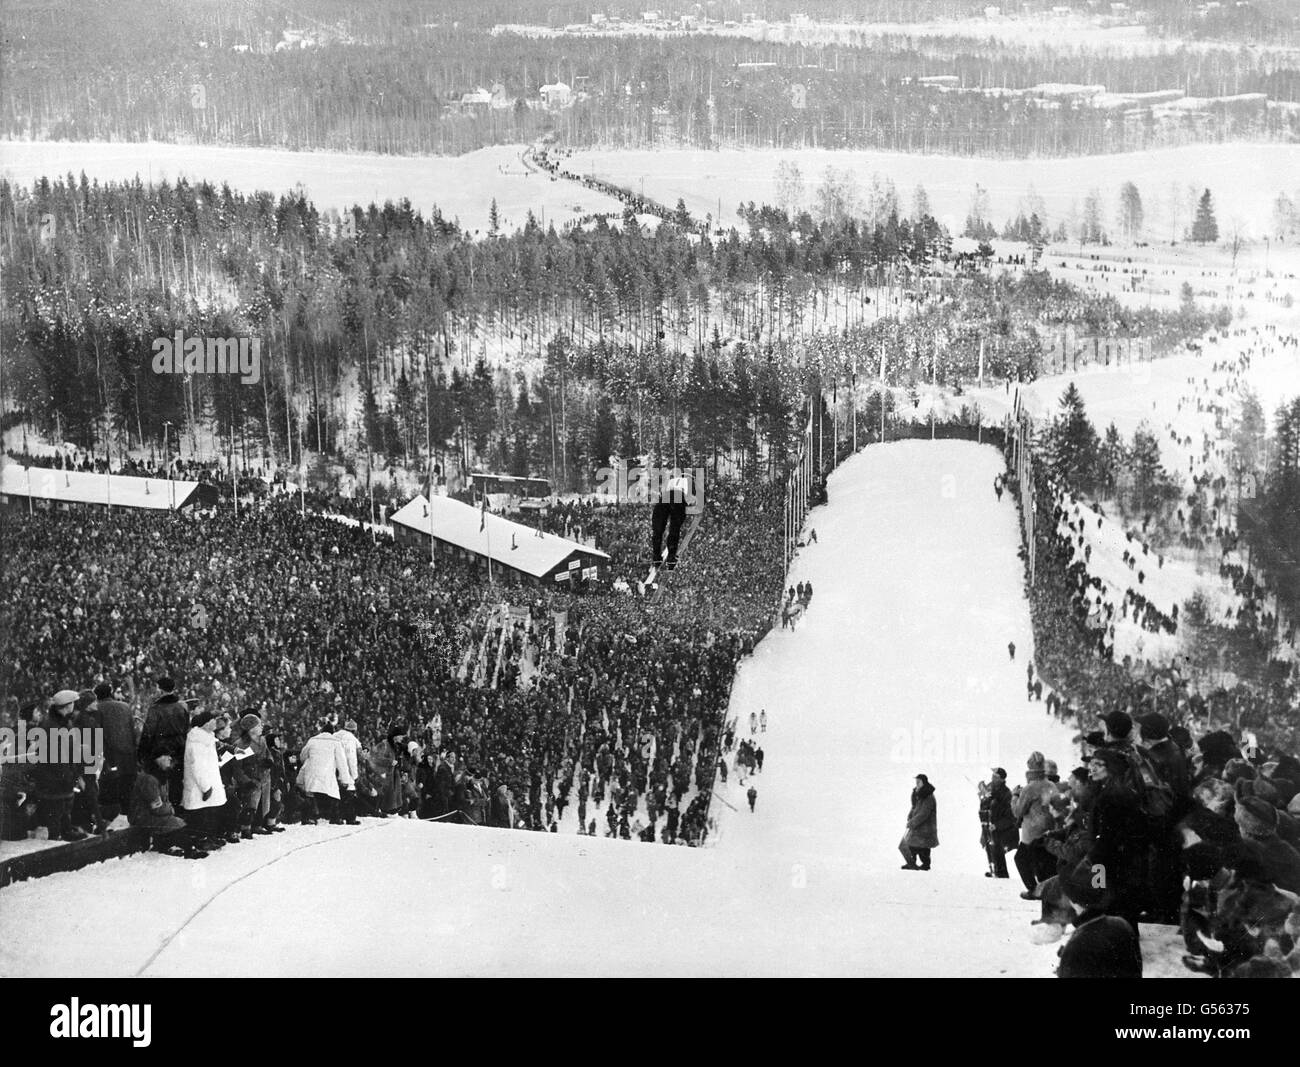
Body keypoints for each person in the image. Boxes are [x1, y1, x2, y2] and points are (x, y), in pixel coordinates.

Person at [129, 754, 207, 859]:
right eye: (165, 756)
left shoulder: (160, 775)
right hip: (142, 817)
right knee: (175, 822)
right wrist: (170, 809)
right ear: (157, 759)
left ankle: (166, 844)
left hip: (153, 814)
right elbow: (156, 808)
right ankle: (189, 849)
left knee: (180, 819)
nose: (170, 758)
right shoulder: (150, 779)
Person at [138, 678, 190, 807]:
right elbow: (186, 727)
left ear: (160, 690)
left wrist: (142, 752)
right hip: (180, 748)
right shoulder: (182, 705)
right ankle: (177, 809)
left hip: (161, 750)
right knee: (177, 781)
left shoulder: (155, 709)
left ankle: (164, 810)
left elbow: (148, 733)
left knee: (161, 781)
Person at [1012, 752, 1057, 897]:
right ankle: (1049, 892)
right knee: (1046, 864)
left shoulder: (1029, 788)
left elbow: (1018, 811)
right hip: (1049, 830)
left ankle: (1034, 890)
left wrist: (1015, 796)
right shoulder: (1051, 785)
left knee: (1020, 859)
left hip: (1031, 833)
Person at [92, 681, 137, 824]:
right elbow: (132, 732)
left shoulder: (96, 710)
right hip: (128, 758)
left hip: (109, 759)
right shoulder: (125, 707)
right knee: (126, 793)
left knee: (109, 795)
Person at [181, 710, 227, 845]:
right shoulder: (197, 741)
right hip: (200, 785)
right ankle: (201, 841)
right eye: (213, 720)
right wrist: (206, 787)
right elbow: (197, 767)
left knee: (208, 813)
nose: (215, 722)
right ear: (205, 723)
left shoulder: (207, 739)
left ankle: (209, 839)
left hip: (208, 783)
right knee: (201, 815)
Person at [297, 722, 353, 824]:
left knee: (310, 793)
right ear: (332, 732)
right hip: (327, 772)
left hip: (311, 771)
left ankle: (307, 817)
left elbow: (303, 756)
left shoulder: (312, 740)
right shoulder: (335, 742)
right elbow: (342, 762)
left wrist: (308, 761)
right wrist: (345, 779)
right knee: (334, 793)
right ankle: (335, 817)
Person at [982, 768, 1016, 878]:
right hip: (989, 827)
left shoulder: (1006, 794)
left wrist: (997, 825)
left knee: (998, 853)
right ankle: (994, 871)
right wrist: (985, 799)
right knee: (990, 850)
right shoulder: (991, 791)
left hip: (1001, 831)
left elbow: (1010, 817)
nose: (992, 779)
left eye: (995, 777)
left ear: (1002, 779)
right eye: (992, 776)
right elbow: (984, 808)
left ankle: (1001, 875)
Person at [900, 774, 937, 871]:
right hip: (918, 826)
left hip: (925, 827)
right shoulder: (920, 794)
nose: (916, 783)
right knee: (911, 844)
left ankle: (925, 865)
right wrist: (910, 815)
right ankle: (912, 863)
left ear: (924, 782)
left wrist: (912, 822)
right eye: (916, 781)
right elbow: (915, 807)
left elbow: (924, 813)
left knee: (923, 847)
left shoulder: (928, 796)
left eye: (918, 781)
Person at [332, 718, 362, 825]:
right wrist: (355, 775)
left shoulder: (335, 735)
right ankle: (350, 818)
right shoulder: (350, 739)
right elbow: (351, 758)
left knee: (336, 793)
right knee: (349, 793)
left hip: (332, 769)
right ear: (354, 730)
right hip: (345, 770)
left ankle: (336, 817)